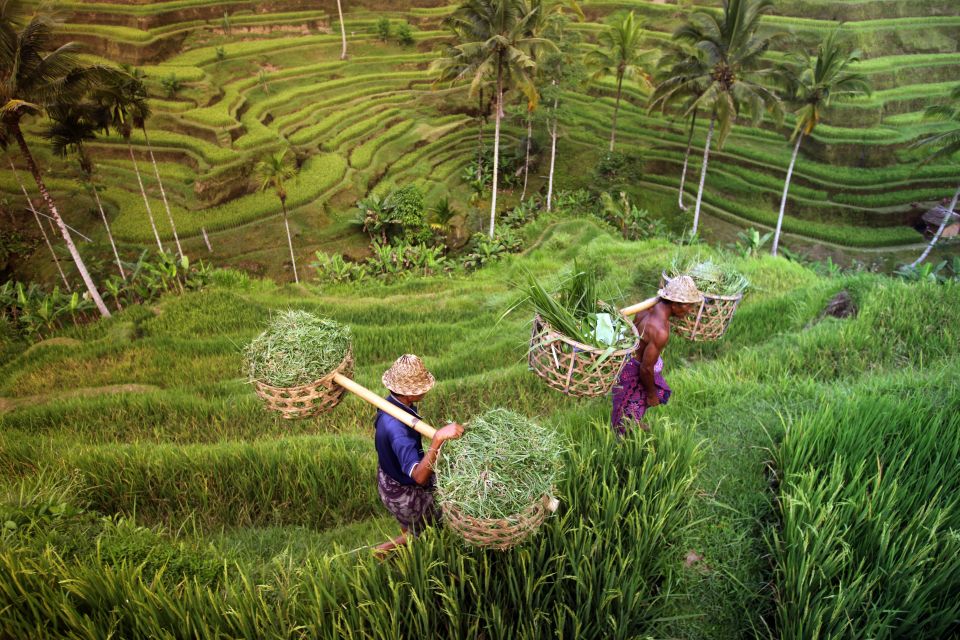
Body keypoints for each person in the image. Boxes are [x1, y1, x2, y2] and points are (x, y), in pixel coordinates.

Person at [374, 354, 463, 556]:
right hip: (403, 493)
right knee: (444, 515)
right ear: (410, 394)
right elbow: (420, 477)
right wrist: (438, 439)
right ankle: (380, 552)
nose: (426, 390)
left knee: (411, 526)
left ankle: (408, 528)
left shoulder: (393, 405)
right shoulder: (398, 432)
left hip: (389, 478)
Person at [611, 275, 703, 435]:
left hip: (627, 360)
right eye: (688, 306)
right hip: (635, 370)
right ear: (675, 305)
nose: (690, 311)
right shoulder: (660, 331)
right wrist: (652, 394)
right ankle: (625, 443)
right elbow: (646, 369)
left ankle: (634, 424)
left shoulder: (646, 309)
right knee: (629, 411)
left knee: (626, 406)